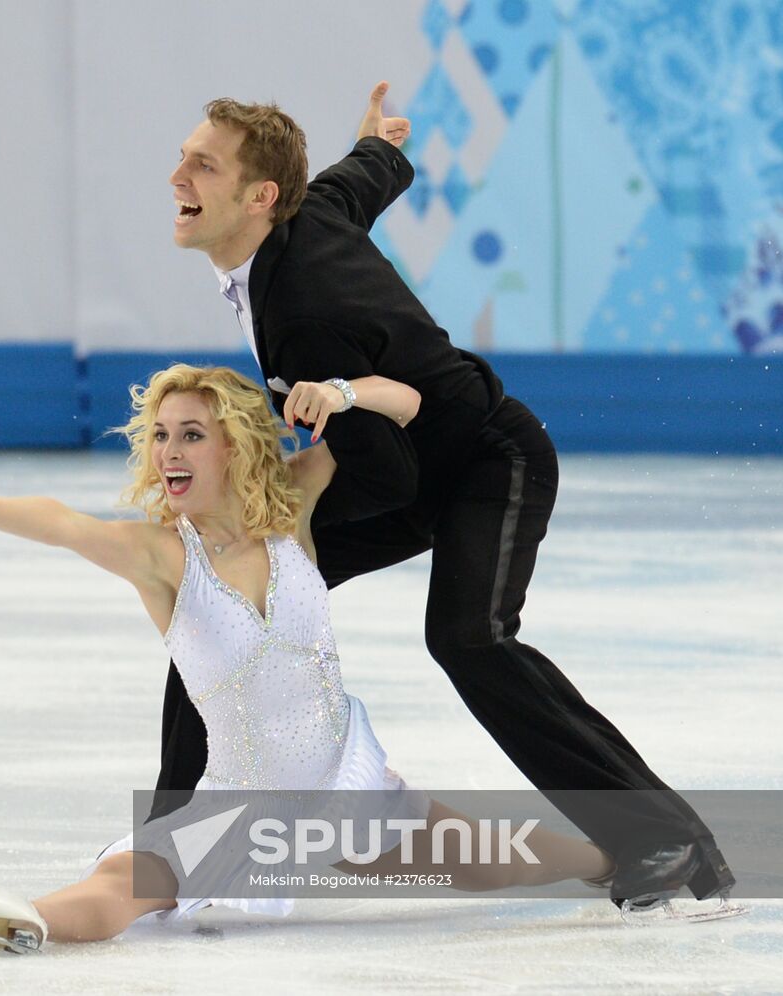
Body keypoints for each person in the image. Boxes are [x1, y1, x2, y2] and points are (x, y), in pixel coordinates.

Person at [162, 84, 734, 914]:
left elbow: (385, 481)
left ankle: (662, 837)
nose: (177, 174)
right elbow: (352, 187)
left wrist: (281, 516)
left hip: (485, 461)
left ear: (260, 199)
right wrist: (382, 147)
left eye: (201, 164)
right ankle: (172, 836)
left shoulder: (303, 312)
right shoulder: (303, 219)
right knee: (216, 599)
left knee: (471, 639)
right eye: (184, 156)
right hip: (409, 462)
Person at [0, 364, 614, 953]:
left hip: (347, 789)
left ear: (234, 445)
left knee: (499, 858)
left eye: (192, 433)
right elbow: (63, 523)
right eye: (162, 435)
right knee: (125, 886)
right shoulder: (163, 557)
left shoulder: (293, 506)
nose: (169, 451)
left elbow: (413, 406)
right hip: (242, 812)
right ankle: (17, 917)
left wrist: (344, 393)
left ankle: (622, 865)